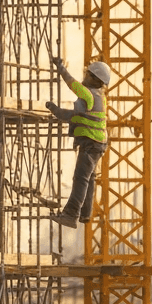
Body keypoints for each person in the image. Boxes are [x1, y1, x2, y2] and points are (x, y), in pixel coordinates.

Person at [45, 57, 112, 229]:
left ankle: (71, 215)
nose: (84, 76)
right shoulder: (100, 97)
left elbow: (71, 84)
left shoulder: (89, 94)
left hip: (91, 143)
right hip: (97, 143)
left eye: (87, 74)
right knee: (89, 179)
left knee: (81, 179)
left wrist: (60, 68)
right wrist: (58, 111)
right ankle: (84, 213)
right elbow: (77, 116)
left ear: (95, 79)